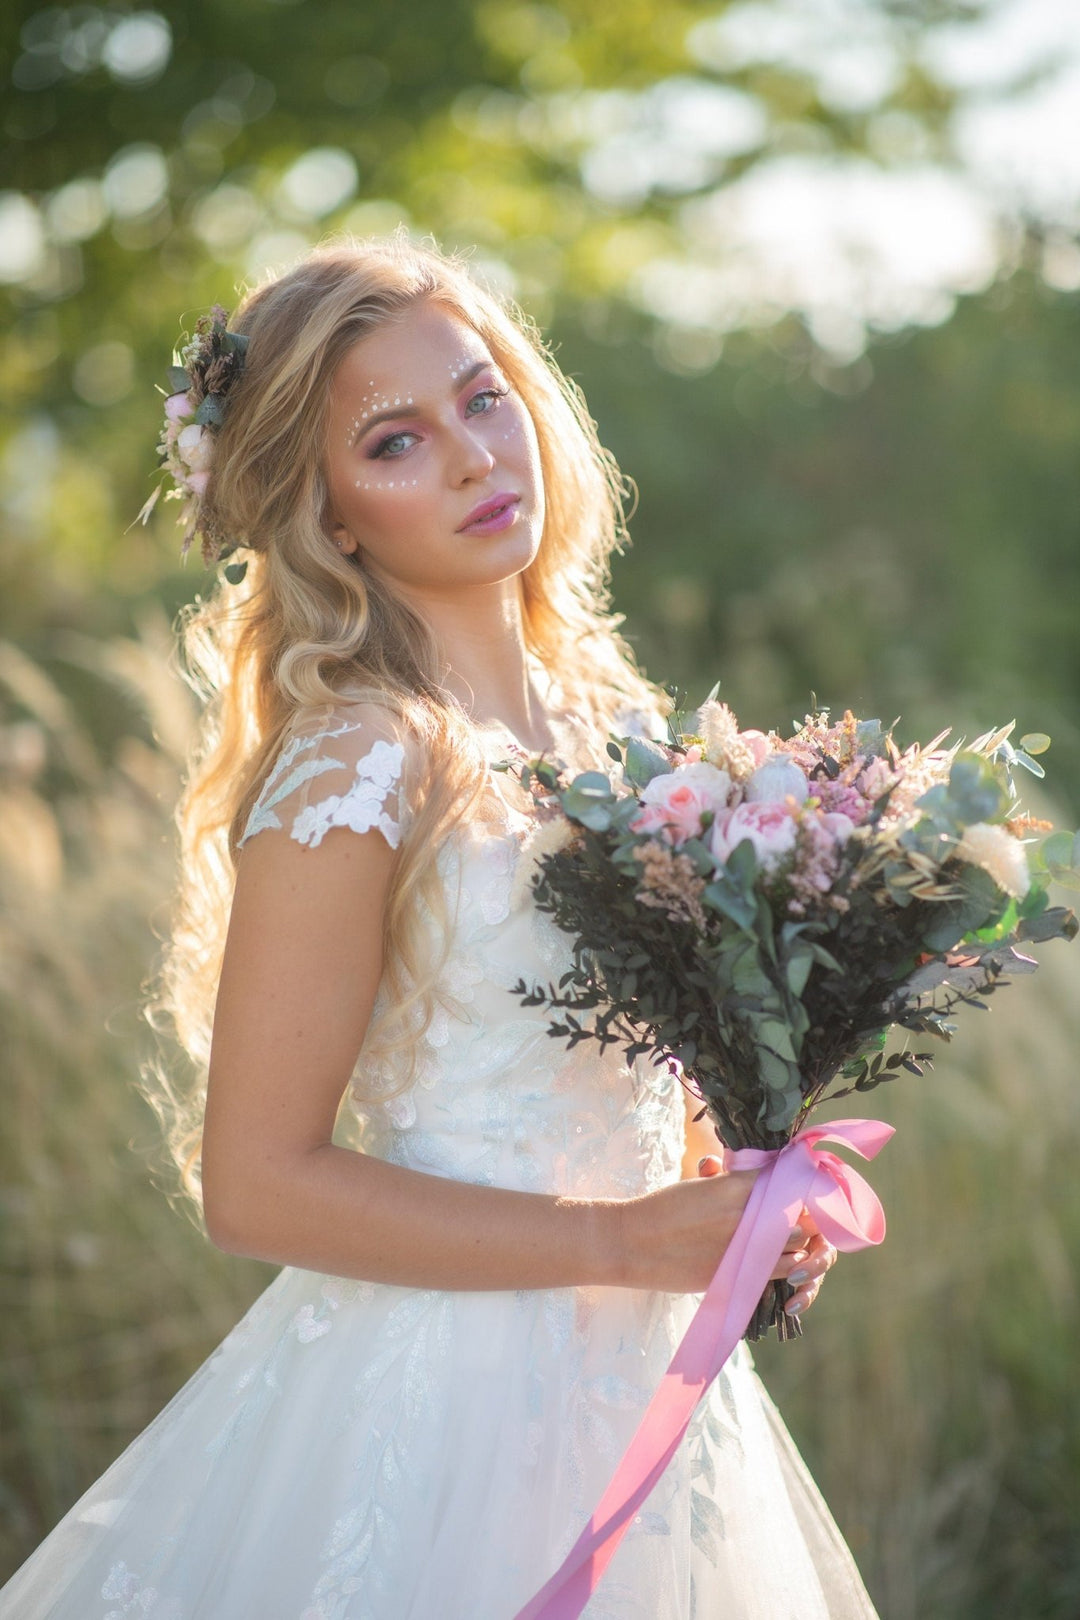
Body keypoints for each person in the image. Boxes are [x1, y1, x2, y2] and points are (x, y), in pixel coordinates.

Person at [0, 230, 877, 1618]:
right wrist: (621, 1241)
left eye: (481, 398)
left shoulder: (618, 730)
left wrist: (733, 1197)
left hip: (650, 1384)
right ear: (330, 514)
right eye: (395, 442)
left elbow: (619, 1081)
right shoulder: (361, 758)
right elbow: (256, 1187)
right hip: (437, 1407)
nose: (472, 457)